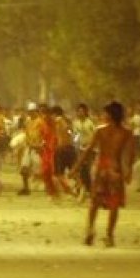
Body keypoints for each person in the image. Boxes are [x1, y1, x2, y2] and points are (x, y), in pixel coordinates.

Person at [72, 102, 134, 247]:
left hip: (101, 169)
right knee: (114, 204)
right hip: (115, 170)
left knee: (94, 203)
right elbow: (131, 154)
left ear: (110, 115)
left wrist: (76, 167)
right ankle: (109, 235)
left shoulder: (100, 130)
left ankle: (90, 230)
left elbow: (88, 150)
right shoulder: (126, 132)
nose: (102, 115)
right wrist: (128, 170)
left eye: (105, 113)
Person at [18, 103, 43, 196]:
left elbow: (44, 134)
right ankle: (26, 188)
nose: (31, 113)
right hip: (29, 147)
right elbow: (26, 133)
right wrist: (28, 142)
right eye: (29, 112)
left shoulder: (40, 122)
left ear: (36, 111)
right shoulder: (28, 122)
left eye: (33, 111)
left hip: (38, 148)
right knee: (24, 168)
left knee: (40, 169)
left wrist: (40, 145)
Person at [72, 104, 96, 202]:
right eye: (78, 111)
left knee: (88, 169)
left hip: (89, 149)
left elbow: (94, 135)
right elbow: (76, 135)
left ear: (85, 112)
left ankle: (88, 190)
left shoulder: (90, 123)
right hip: (80, 149)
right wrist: (76, 144)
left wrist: (91, 145)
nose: (80, 113)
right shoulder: (75, 123)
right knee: (81, 169)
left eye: (82, 111)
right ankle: (84, 189)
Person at [53, 106, 76, 196]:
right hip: (70, 148)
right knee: (72, 171)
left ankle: (70, 190)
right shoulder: (67, 122)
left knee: (59, 173)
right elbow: (71, 133)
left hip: (61, 149)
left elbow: (65, 133)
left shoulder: (57, 121)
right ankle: (76, 188)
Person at [39, 104, 58, 198]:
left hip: (54, 150)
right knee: (45, 171)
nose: (44, 116)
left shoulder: (54, 123)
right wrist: (42, 143)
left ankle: (55, 191)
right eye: (43, 114)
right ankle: (50, 190)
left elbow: (57, 136)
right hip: (46, 150)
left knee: (53, 171)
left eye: (46, 114)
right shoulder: (43, 124)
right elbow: (42, 136)